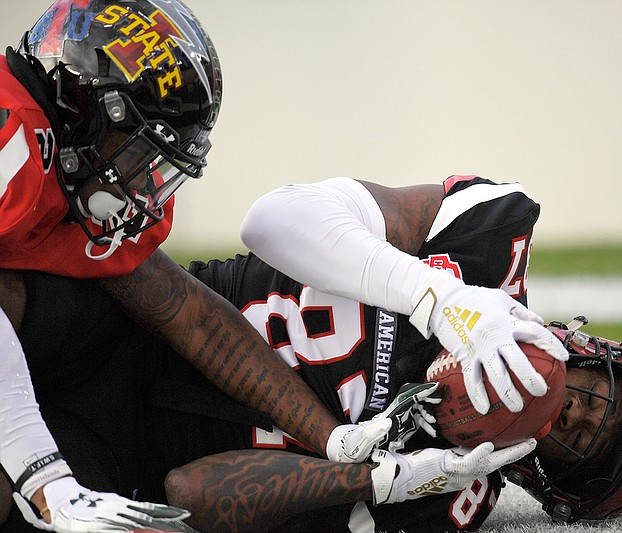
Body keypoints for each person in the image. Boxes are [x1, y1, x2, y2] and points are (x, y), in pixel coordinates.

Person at [0, 176, 622, 531]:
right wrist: (438, 298)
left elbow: (193, 497)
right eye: (598, 401)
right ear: (596, 353)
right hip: (136, 319)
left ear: (554, 483)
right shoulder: (489, 245)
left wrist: (382, 481)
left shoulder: (449, 502)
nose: (571, 416)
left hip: (128, 462)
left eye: (580, 443)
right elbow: (271, 220)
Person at [1, 2, 444, 530]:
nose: (145, 184)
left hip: (92, 396)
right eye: (145, 154)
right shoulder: (15, 141)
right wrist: (46, 482)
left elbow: (194, 319)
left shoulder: (65, 165)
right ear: (87, 106)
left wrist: (332, 439)